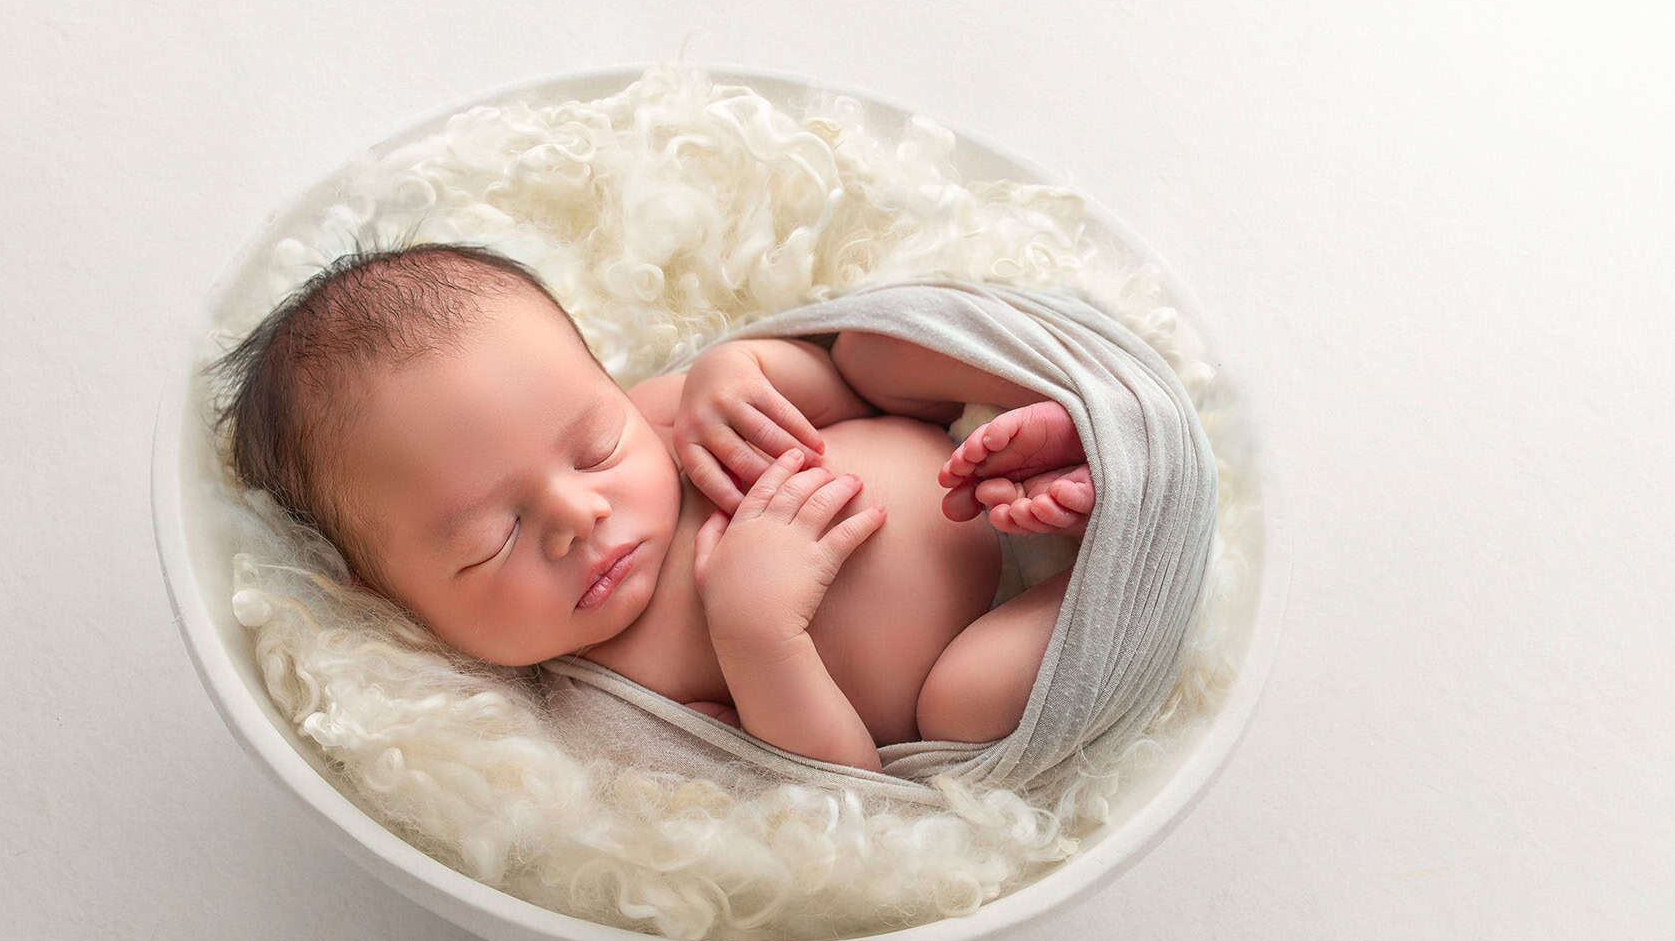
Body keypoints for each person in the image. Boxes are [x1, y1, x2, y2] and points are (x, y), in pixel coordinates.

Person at [207, 243, 1097, 773]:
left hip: (953, 457)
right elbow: (832, 784)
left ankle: (1062, 407)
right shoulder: (605, 711)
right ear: (391, 597)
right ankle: (1108, 550)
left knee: (875, 354)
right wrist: (757, 630)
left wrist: (737, 373)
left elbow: (829, 390)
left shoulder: (664, 419)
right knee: (968, 708)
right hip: (963, 649)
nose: (577, 511)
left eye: (594, 444)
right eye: (492, 539)